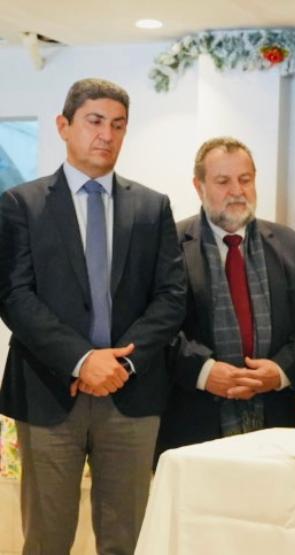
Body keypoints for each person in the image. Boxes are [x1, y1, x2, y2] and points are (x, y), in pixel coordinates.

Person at [0, 78, 186, 555]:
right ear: (64, 126)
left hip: (132, 391)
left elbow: (171, 297)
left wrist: (120, 364)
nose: (107, 134)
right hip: (49, 390)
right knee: (47, 539)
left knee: (127, 537)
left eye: (118, 125)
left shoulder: (152, 207)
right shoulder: (21, 204)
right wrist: (83, 361)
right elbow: (14, 296)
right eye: (95, 121)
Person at [156, 137, 295, 455]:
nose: (237, 191)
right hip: (192, 424)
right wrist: (203, 372)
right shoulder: (168, 245)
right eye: (223, 181)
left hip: (274, 420)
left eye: (245, 180)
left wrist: (281, 370)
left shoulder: (289, 245)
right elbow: (156, 323)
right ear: (199, 186)